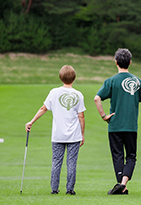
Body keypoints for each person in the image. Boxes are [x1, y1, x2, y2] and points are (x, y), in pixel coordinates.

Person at [94, 48, 141, 195]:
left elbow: (97, 98)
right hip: (130, 127)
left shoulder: (111, 81)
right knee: (131, 156)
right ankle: (123, 185)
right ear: (130, 62)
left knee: (117, 156)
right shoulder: (138, 81)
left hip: (114, 125)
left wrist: (104, 116)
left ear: (116, 62)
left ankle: (121, 185)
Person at [25, 65, 86, 195]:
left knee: (56, 162)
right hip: (74, 135)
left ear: (60, 78)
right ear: (74, 78)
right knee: (71, 163)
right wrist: (82, 134)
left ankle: (54, 189)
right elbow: (81, 116)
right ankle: (70, 189)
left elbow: (43, 108)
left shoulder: (54, 92)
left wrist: (31, 121)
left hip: (58, 135)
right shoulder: (78, 95)